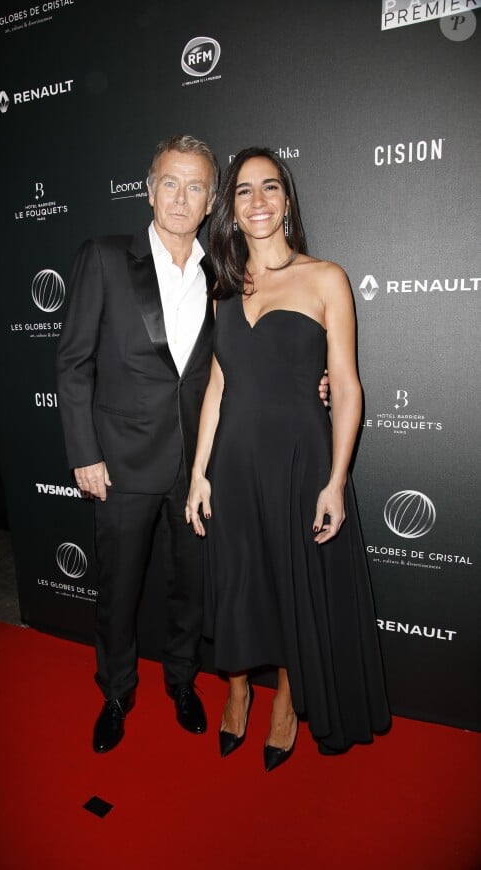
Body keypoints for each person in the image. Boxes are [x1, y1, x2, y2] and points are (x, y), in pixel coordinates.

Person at [56, 136, 329, 754]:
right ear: (149, 189)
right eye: (170, 183)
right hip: (119, 464)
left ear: (211, 202)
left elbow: (246, 358)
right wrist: (83, 452)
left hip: (201, 467)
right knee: (118, 590)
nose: (182, 198)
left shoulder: (224, 275)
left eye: (197, 186)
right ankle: (117, 691)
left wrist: (311, 373)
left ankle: (182, 681)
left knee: (192, 589)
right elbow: (72, 363)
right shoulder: (102, 257)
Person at [186, 146, 390, 771]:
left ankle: (286, 699)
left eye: (269, 188)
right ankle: (238, 688)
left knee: (290, 585)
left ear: (287, 199)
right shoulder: (222, 290)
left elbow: (348, 386)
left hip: (301, 463)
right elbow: (219, 387)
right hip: (236, 464)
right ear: (232, 208)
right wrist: (198, 471)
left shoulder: (326, 277)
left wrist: (336, 479)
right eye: (244, 191)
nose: (257, 201)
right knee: (242, 583)